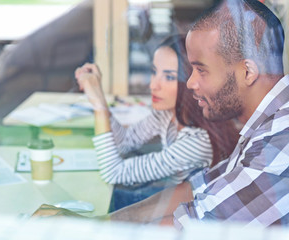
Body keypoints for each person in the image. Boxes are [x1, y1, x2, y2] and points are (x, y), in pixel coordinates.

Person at [33, 0, 289, 229]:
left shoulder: (277, 147)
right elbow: (195, 188)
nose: (189, 83)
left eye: (201, 70)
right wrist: (99, 222)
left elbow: (189, 227)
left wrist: (88, 228)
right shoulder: (266, 126)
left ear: (248, 73)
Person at [74, 35, 238, 209]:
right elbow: (123, 143)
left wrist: (98, 107)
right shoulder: (168, 115)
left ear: (194, 83)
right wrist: (99, 96)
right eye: (154, 72)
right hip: (174, 203)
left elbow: (113, 172)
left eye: (168, 77)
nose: (153, 85)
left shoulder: (197, 141)